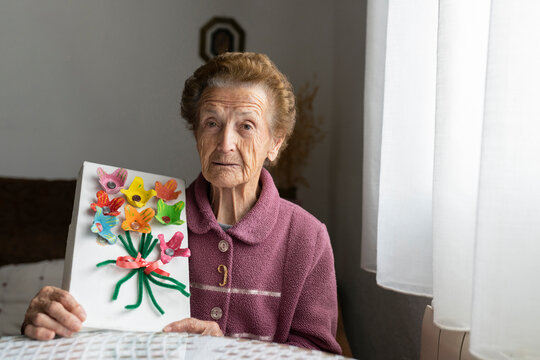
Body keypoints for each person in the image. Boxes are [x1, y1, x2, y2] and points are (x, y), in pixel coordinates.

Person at [21, 52, 342, 354]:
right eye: (212, 123)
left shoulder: (308, 239)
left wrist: (227, 353)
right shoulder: (141, 211)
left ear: (275, 142)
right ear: (197, 134)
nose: (225, 143)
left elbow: (318, 356)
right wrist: (50, 326)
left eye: (246, 126)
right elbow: (96, 333)